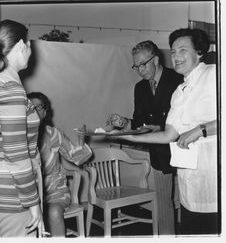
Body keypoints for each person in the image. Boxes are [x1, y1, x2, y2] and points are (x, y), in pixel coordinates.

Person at [117, 28, 218, 235]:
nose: (176, 56)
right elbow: (168, 134)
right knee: (189, 223)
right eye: (173, 51)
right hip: (186, 171)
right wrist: (126, 134)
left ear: (199, 51)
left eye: (182, 50)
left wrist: (200, 130)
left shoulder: (213, 74)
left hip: (214, 173)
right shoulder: (180, 92)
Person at [106, 40, 183, 235]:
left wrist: (162, 127)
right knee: (163, 203)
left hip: (184, 147)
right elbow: (139, 121)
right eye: (136, 66)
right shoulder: (140, 88)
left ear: (156, 59)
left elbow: (190, 119)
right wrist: (124, 123)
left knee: (190, 203)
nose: (139, 69)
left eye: (143, 64)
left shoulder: (179, 79)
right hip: (159, 151)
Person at [0, 19, 44, 237]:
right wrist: (33, 203)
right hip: (13, 194)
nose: (30, 51)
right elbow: (16, 155)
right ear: (20, 45)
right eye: (28, 45)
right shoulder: (10, 88)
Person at [27, 92, 92, 237]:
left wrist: (81, 141)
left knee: (54, 212)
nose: (36, 111)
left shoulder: (53, 133)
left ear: (45, 112)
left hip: (55, 192)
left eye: (40, 107)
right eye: (31, 107)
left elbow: (76, 157)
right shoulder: (19, 136)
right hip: (28, 194)